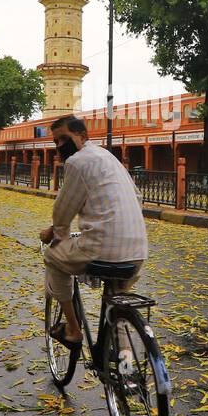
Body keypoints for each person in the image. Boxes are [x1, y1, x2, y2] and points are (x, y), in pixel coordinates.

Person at [39, 114, 148, 349]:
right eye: (55, 141)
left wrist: (57, 234)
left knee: (52, 257)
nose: (59, 146)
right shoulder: (108, 157)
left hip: (102, 249)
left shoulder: (77, 162)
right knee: (116, 306)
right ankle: (125, 372)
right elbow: (137, 197)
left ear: (82, 136)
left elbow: (64, 210)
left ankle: (72, 329)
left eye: (63, 139)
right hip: (137, 250)